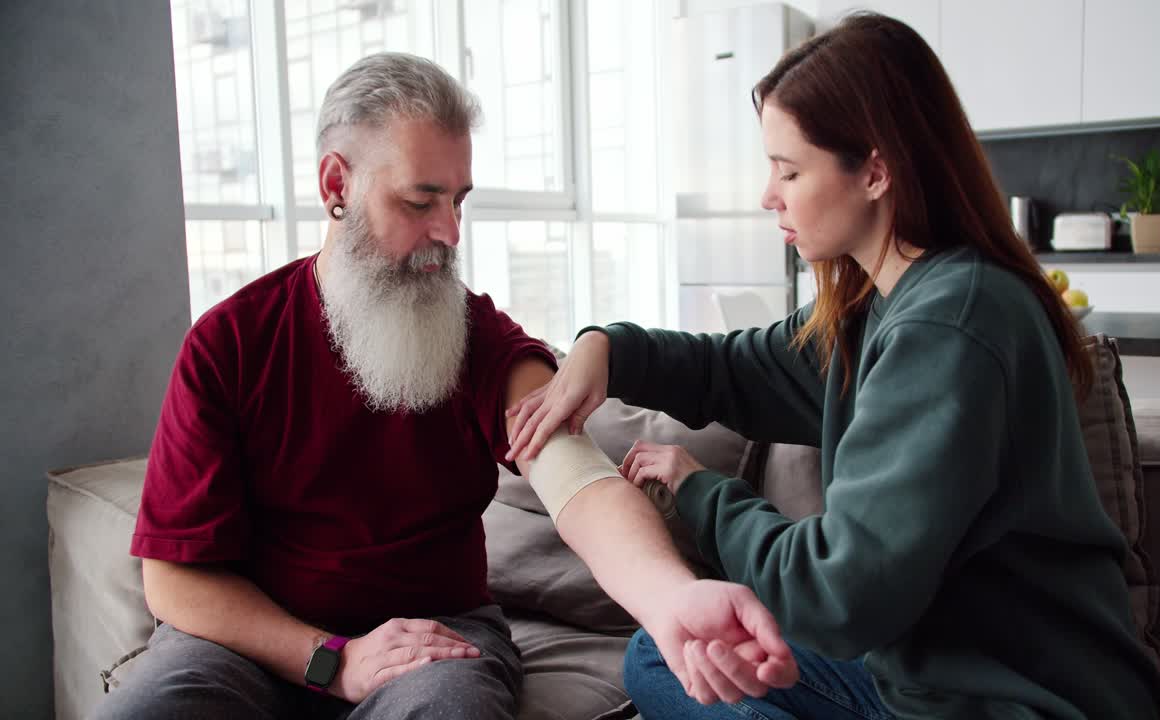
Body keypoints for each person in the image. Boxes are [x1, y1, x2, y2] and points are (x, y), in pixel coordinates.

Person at [93, 52, 796, 720]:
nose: (449, 232)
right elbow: (174, 579)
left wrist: (672, 598)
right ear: (337, 186)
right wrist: (331, 659)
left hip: (438, 640)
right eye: (420, 201)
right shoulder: (230, 342)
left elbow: (580, 485)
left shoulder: (481, 338)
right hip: (250, 643)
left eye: (458, 200)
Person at [506, 13, 1160, 720]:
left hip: (1015, 700)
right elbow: (732, 369)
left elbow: (834, 595)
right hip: (918, 681)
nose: (769, 195)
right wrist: (605, 346)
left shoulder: (953, 324)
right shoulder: (876, 305)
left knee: (689, 667)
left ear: (875, 171)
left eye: (789, 170)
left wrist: (700, 494)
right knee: (660, 654)